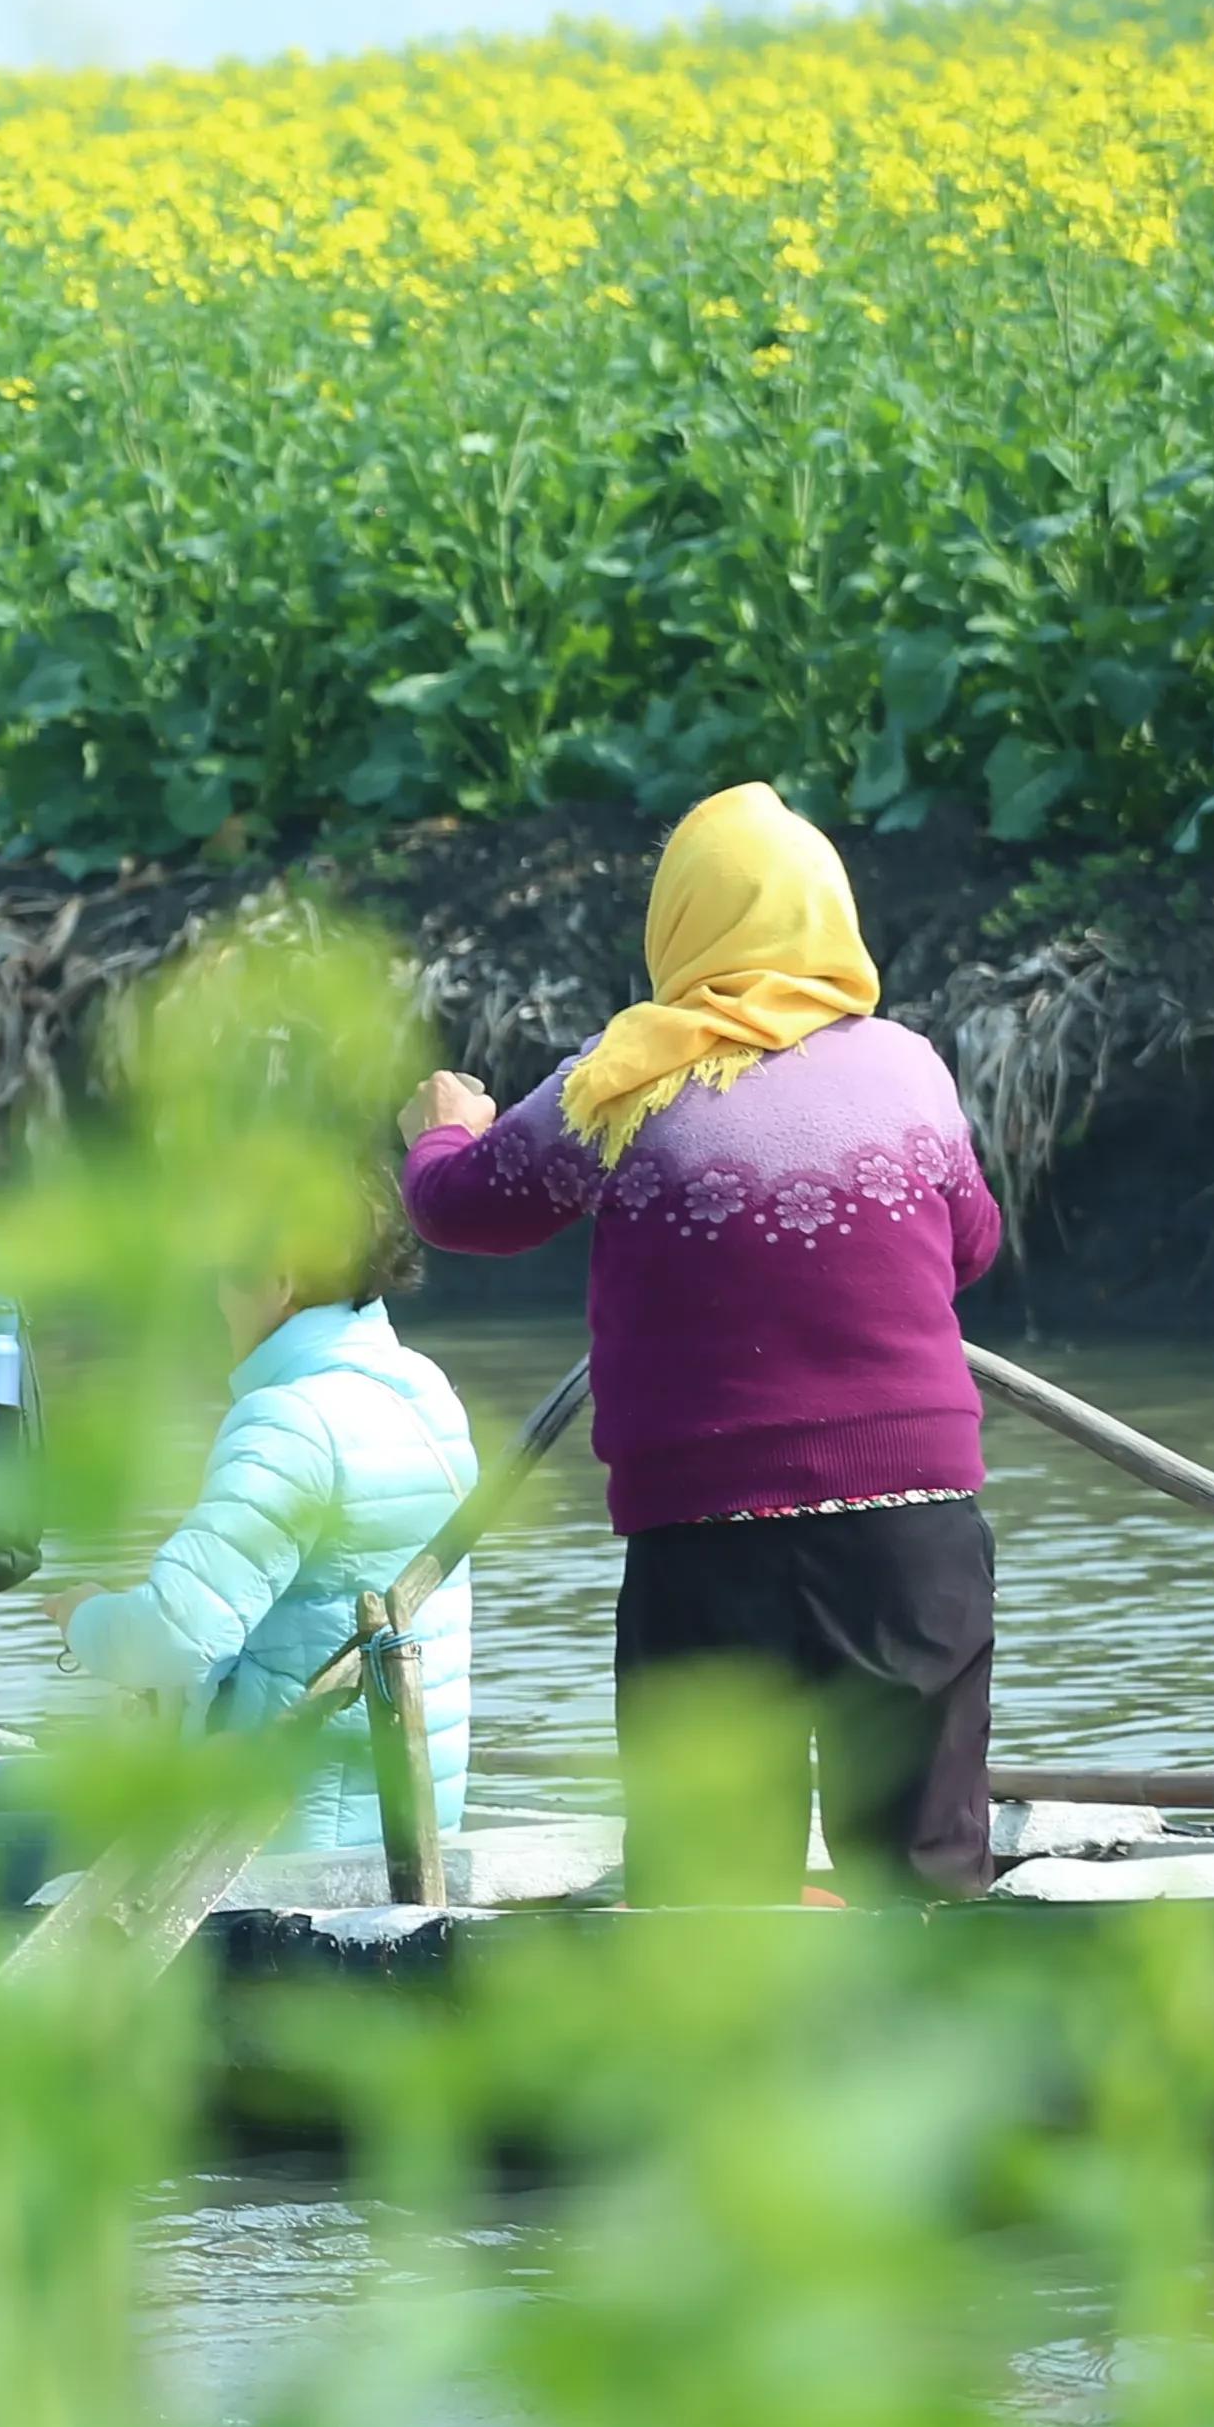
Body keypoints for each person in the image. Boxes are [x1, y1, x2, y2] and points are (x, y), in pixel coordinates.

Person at [400, 782, 1007, 1903]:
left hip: (706, 1538)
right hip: (913, 1532)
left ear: (680, 923)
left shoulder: (629, 1076)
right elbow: (971, 1244)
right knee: (926, 1883)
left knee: (712, 1898)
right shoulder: (913, 1069)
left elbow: (459, 1209)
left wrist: (443, 1125)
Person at [44, 1204, 479, 1850]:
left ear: (277, 1281)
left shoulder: (290, 1422)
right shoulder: (425, 1389)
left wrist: (83, 1619)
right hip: (412, 1824)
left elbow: (173, 1634)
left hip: (284, 1838)